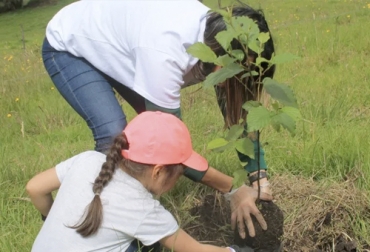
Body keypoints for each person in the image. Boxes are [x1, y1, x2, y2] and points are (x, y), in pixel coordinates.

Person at [41, 0, 275, 239]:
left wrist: (259, 176)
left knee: (149, 140)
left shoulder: (220, 39)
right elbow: (170, 148)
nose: (234, 80)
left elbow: (239, 112)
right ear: (220, 55)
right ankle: (95, 227)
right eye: (235, 72)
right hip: (71, 44)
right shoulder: (166, 52)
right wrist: (232, 188)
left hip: (123, 42)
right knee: (113, 134)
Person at [27, 111, 256, 252]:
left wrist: (51, 220)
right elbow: (196, 250)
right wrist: (237, 250)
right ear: (158, 171)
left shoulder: (88, 159)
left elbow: (34, 188)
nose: (177, 180)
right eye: (179, 172)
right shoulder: (143, 210)